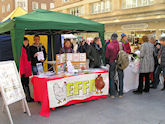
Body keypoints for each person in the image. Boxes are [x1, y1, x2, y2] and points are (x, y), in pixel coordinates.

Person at [105, 33, 125, 98]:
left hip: (112, 62)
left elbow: (107, 56)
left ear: (111, 38)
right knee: (120, 77)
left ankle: (112, 94)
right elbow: (124, 53)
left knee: (112, 78)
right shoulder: (121, 44)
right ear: (117, 37)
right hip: (120, 62)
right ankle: (120, 93)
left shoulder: (109, 45)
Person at [19, 37, 34, 102]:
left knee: (27, 83)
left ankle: (28, 97)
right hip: (24, 70)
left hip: (27, 69)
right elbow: (21, 61)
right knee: (24, 83)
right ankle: (27, 98)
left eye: (27, 41)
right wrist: (22, 72)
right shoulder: (21, 49)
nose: (26, 42)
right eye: (24, 41)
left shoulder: (27, 48)